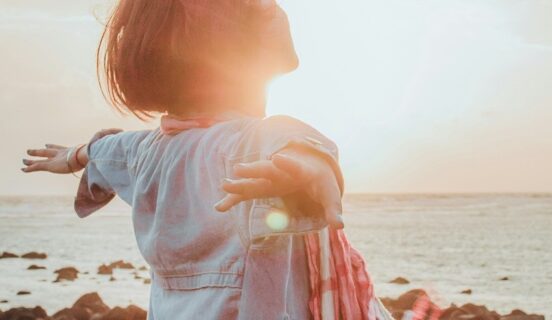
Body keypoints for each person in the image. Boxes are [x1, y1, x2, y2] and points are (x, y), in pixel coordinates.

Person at [21, 0, 391, 319]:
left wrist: (71, 157)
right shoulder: (247, 143)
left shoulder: (146, 152)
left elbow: (104, 151)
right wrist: (310, 167)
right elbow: (293, 141)